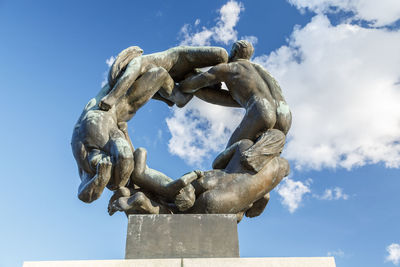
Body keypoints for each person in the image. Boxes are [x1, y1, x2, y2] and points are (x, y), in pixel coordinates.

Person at [178, 40, 292, 148]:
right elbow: (237, 99)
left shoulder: (228, 68)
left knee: (229, 159)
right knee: (262, 159)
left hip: (262, 112)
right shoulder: (262, 71)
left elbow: (191, 85)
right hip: (285, 116)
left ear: (235, 52)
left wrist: (182, 79)